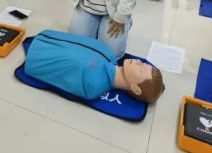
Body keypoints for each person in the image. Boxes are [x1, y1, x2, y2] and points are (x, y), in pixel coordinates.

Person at [24, 30, 164, 103]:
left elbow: (61, 75)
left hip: (37, 52)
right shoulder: (109, 55)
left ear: (135, 89)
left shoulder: (93, 86)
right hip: (45, 38)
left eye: (141, 70)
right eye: (143, 63)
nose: (138, 61)